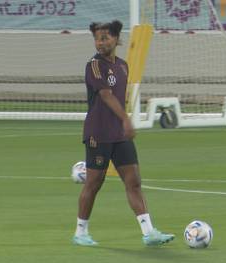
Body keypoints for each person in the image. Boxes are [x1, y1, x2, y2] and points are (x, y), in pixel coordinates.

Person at [72, 20, 174, 246]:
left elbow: (118, 97)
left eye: (105, 38)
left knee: (134, 181)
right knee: (94, 183)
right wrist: (126, 118)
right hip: (98, 133)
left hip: (119, 135)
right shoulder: (94, 66)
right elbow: (106, 95)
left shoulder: (123, 66)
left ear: (117, 39)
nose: (101, 42)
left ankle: (149, 233)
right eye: (98, 38)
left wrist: (122, 123)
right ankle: (80, 233)